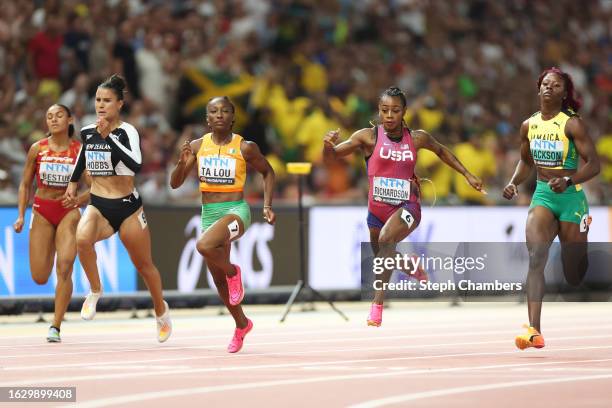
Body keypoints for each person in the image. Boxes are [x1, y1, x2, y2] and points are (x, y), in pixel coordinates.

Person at [323, 86, 484, 327]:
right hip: (376, 210)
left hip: (407, 206)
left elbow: (441, 151)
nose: (389, 116)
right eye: (384, 110)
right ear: (378, 111)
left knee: (388, 239)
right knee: (382, 257)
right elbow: (332, 157)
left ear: (404, 111)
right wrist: (327, 146)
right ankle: (406, 264)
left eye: (395, 111)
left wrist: (467, 174)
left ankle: (377, 305)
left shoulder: (417, 138)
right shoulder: (367, 136)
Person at [65, 74, 172, 342]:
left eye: (107, 101)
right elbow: (82, 157)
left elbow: (136, 164)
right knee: (82, 239)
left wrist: (109, 138)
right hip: (99, 205)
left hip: (128, 208)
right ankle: (95, 290)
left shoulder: (128, 131)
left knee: (144, 265)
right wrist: (72, 183)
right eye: (98, 100)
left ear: (120, 104)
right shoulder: (88, 131)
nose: (101, 105)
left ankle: (161, 311)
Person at [503, 67, 600, 350]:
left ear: (564, 93)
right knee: (536, 258)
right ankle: (534, 330)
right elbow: (525, 162)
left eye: (556, 85)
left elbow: (594, 164)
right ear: (538, 89)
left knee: (573, 274)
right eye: (545, 84)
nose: (548, 88)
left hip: (571, 197)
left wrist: (569, 180)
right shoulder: (528, 125)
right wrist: (513, 183)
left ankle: (581, 242)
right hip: (543, 195)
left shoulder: (572, 124)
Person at [170, 96, 275, 353]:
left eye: (224, 111)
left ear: (232, 117)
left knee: (204, 245)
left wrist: (267, 205)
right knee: (218, 281)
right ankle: (241, 324)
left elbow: (268, 172)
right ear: (207, 118)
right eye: (213, 111)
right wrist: (182, 164)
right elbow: (175, 183)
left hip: (236, 211)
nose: (219, 115)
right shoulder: (196, 146)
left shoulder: (245, 147)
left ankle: (233, 272)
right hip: (209, 213)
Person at [13, 104, 89, 343]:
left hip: (69, 212)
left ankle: (55, 325)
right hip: (42, 211)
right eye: (49, 116)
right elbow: (25, 184)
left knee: (65, 266)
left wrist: (78, 199)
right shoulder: (37, 149)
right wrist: (21, 215)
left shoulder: (80, 151)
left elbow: (96, 186)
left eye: (58, 115)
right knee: (40, 276)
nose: (53, 120)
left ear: (69, 120)